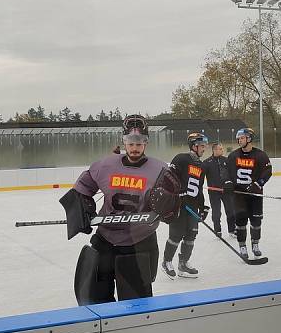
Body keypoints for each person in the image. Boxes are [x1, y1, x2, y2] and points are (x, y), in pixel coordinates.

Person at [61, 114, 179, 304]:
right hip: (105, 241)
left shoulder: (160, 170)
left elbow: (172, 211)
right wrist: (83, 207)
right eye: (130, 143)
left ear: (146, 143)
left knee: (136, 308)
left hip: (139, 243)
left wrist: (168, 205)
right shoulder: (105, 165)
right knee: (96, 303)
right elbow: (82, 188)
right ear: (124, 142)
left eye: (139, 143)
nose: (134, 148)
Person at [161, 131, 209, 279]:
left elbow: (199, 189)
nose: (204, 148)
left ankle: (183, 263)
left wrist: (203, 206)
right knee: (176, 235)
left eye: (204, 146)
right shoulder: (181, 158)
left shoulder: (201, 165)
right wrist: (177, 193)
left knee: (191, 235)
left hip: (192, 206)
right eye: (201, 145)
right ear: (193, 146)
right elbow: (168, 177)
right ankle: (166, 262)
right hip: (179, 205)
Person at [227, 128, 272, 260]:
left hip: (255, 195)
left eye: (242, 138)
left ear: (249, 139)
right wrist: (228, 182)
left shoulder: (260, 155)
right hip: (239, 195)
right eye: (239, 138)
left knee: (256, 221)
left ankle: (255, 245)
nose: (239, 140)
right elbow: (226, 172)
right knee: (240, 221)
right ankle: (242, 246)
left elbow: (268, 171)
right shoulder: (233, 156)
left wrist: (258, 184)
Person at [202, 142, 236, 237]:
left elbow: (232, 175)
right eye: (220, 149)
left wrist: (231, 184)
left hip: (227, 191)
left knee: (230, 211)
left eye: (222, 149)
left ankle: (232, 230)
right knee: (216, 212)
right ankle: (217, 230)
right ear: (214, 150)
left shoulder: (227, 160)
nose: (222, 150)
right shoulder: (206, 163)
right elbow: (201, 177)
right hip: (214, 192)